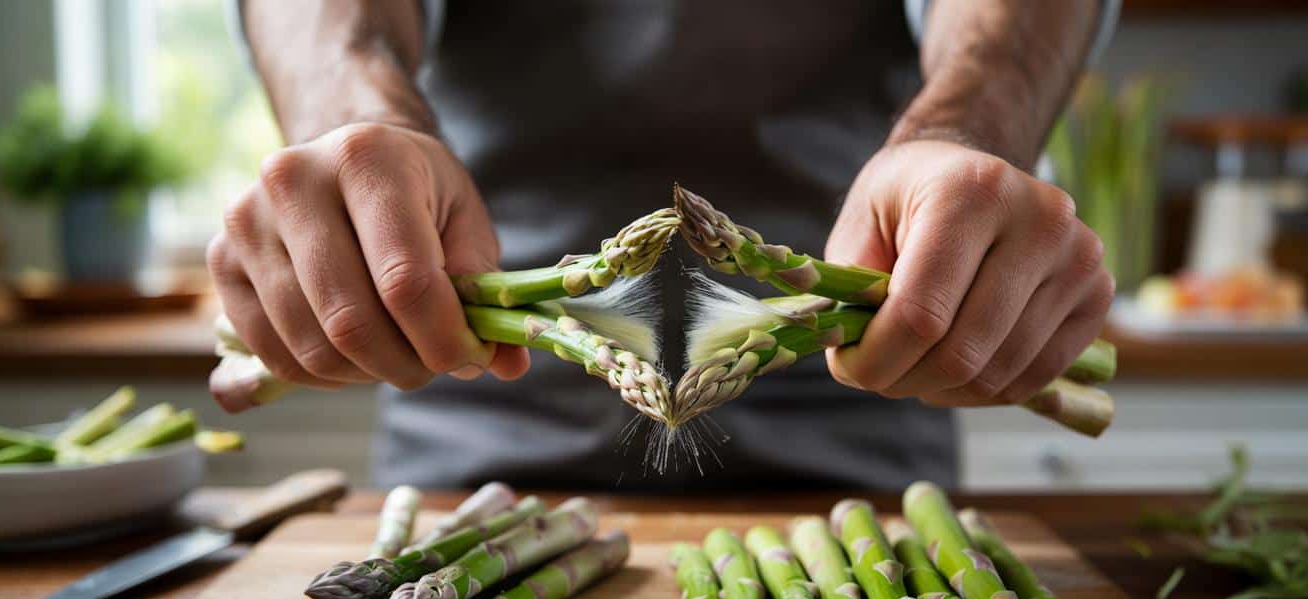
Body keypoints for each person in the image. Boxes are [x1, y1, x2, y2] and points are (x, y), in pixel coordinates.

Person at [213, 0, 1119, 491]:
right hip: (465, 454)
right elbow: (335, 23)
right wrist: (353, 131)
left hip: (869, 450)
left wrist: (966, 142)